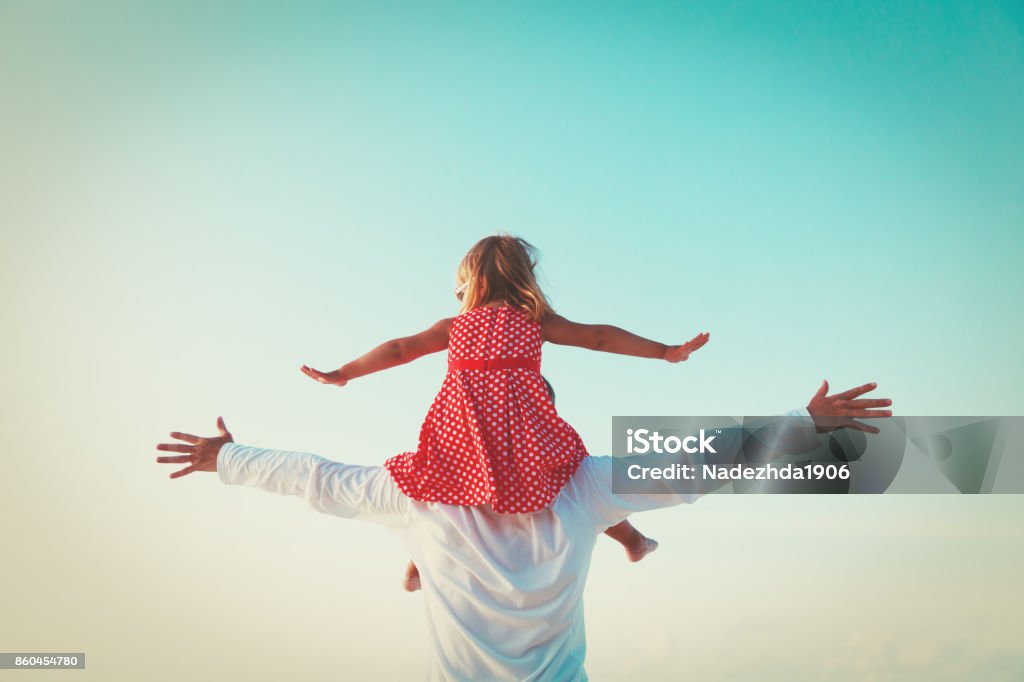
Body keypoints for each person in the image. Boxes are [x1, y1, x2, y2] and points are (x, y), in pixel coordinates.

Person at [156, 380, 892, 680]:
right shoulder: (584, 484)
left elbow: (316, 479)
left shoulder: (413, 494)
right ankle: (420, 566)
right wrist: (802, 425)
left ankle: (419, 565)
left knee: (412, 543)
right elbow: (709, 460)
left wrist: (228, 458)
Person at [298, 235, 708, 589]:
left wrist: (345, 373)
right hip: (523, 436)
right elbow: (598, 337)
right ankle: (632, 540)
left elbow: (399, 349)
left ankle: (418, 559)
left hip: (463, 435)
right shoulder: (533, 320)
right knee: (575, 477)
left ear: (473, 284)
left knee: (433, 482)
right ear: (522, 280)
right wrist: (664, 352)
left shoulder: (454, 327)